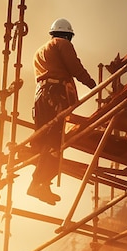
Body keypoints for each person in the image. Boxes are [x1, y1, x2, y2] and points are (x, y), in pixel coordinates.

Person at [27, 18, 96, 205]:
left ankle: (42, 184)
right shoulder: (62, 44)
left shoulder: (39, 51)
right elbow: (74, 66)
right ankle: (38, 183)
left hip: (41, 98)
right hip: (55, 95)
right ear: (68, 34)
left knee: (45, 142)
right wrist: (91, 83)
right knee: (54, 142)